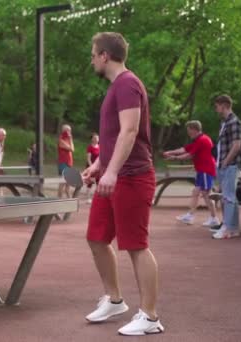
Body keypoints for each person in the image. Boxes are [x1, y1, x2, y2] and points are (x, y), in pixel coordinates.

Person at [82, 32, 164, 335]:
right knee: (96, 237)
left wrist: (112, 171)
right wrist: (99, 165)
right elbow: (115, 137)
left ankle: (151, 317)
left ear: (105, 55)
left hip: (132, 177)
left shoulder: (127, 84)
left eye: (93, 54)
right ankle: (115, 300)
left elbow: (130, 132)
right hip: (116, 175)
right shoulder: (116, 87)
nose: (91, 59)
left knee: (136, 246)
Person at [162, 120, 219, 227]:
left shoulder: (202, 140)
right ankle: (190, 216)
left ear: (194, 129)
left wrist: (174, 158)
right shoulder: (197, 140)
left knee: (206, 195)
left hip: (206, 170)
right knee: (196, 192)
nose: (188, 133)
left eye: (189, 130)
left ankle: (214, 218)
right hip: (201, 171)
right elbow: (184, 149)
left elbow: (189, 155)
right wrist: (170, 152)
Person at [212, 95, 241, 239]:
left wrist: (226, 162)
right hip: (223, 163)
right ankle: (231, 228)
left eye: (217, 106)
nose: (216, 109)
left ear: (225, 105)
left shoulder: (234, 122)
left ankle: (229, 227)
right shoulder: (224, 123)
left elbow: (236, 145)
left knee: (229, 197)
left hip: (230, 164)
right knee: (227, 197)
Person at [58, 124, 74, 198]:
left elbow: (73, 149)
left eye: (70, 130)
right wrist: (70, 139)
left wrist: (70, 139)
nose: (69, 132)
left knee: (68, 183)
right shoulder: (61, 139)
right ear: (64, 130)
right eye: (67, 130)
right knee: (62, 182)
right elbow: (71, 149)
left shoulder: (68, 140)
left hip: (69, 163)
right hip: (63, 163)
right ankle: (58, 200)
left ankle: (69, 201)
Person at [85, 133, 100, 203]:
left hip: (98, 168)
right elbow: (88, 158)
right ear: (92, 139)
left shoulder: (100, 147)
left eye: (97, 138)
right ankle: (88, 198)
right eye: (95, 138)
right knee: (90, 183)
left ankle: (98, 198)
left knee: (98, 182)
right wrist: (91, 166)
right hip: (91, 166)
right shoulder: (90, 147)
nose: (96, 139)